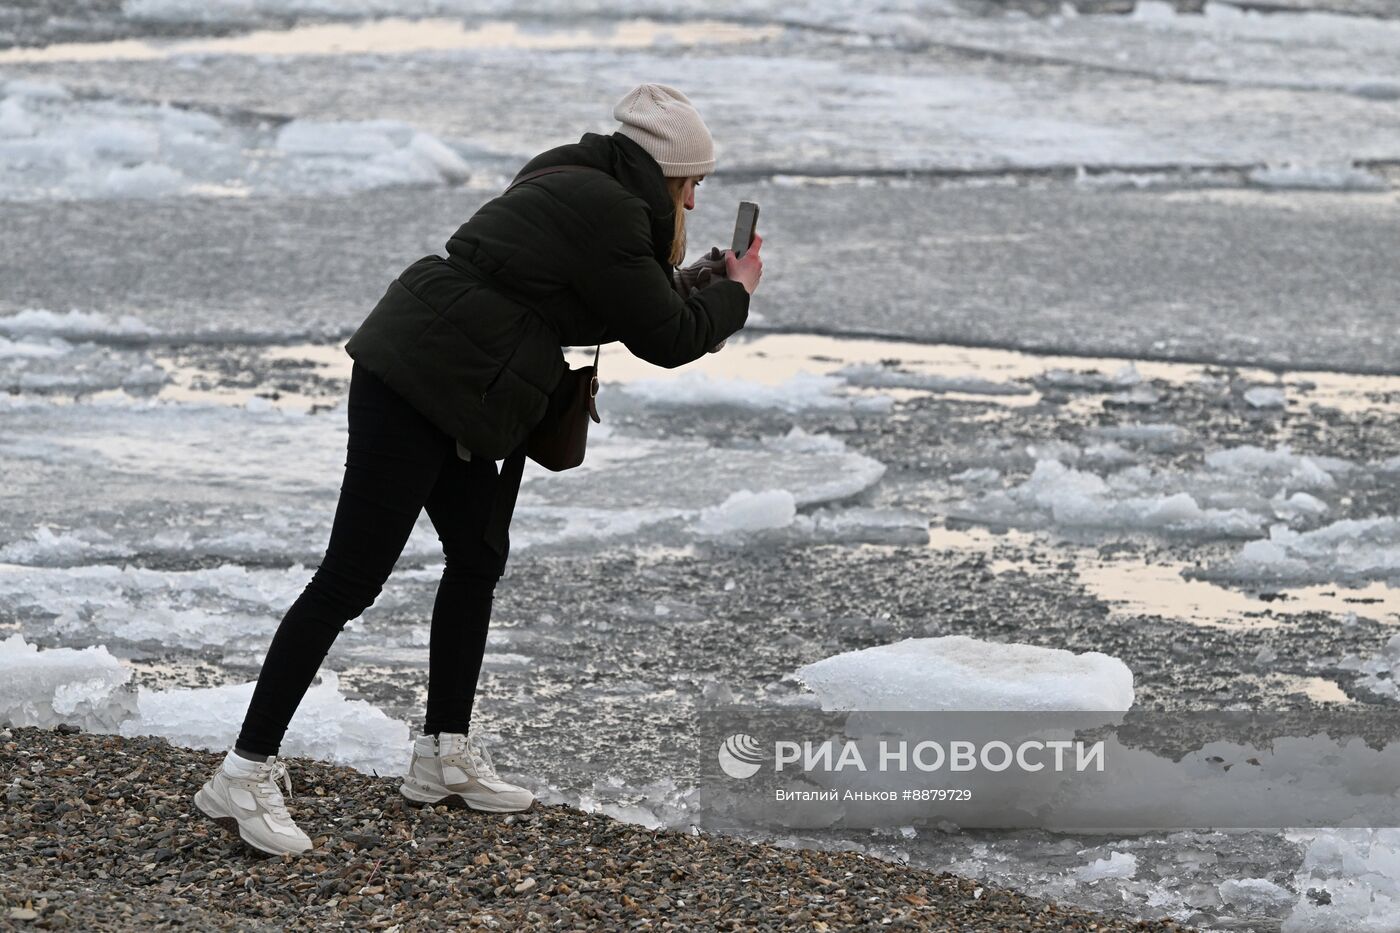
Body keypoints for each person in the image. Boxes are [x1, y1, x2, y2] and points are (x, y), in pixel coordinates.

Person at [192, 83, 764, 856]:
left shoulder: (577, 176)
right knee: (350, 578)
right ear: (666, 174)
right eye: (693, 183)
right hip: (421, 376)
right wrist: (739, 295)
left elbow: (622, 299)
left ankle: (441, 752)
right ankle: (243, 769)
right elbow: (665, 338)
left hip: (460, 378)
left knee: (477, 554)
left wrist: (701, 281)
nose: (695, 199)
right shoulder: (611, 210)